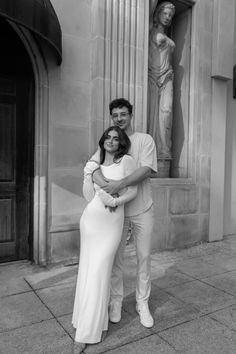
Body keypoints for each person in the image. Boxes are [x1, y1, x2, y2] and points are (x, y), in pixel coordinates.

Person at [91, 98, 157, 329]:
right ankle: (116, 302)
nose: (119, 118)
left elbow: (146, 170)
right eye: (115, 115)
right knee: (116, 260)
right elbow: (92, 166)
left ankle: (142, 303)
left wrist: (117, 184)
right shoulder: (111, 140)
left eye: (123, 114)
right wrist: (102, 189)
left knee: (144, 257)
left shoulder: (145, 140)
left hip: (142, 209)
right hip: (116, 213)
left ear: (131, 114)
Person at [72, 126, 137, 353]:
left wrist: (115, 202)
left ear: (121, 143)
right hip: (91, 220)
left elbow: (133, 191)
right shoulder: (95, 162)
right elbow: (88, 196)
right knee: (88, 271)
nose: (111, 141)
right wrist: (88, 176)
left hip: (112, 222)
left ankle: (86, 334)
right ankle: (85, 323)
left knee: (100, 270)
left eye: (115, 138)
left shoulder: (126, 161)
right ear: (103, 141)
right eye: (108, 137)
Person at [147, 1, 175, 159]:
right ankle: (154, 152)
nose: (167, 17)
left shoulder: (167, 35)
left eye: (170, 15)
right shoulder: (151, 30)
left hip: (168, 76)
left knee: (167, 113)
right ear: (157, 13)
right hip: (153, 76)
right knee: (153, 115)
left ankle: (165, 149)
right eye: (164, 13)